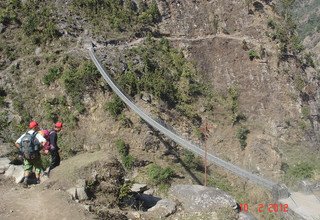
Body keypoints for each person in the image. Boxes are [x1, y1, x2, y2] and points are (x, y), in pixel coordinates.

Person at [15, 120, 47, 187]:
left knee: (27, 168)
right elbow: (44, 141)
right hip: (35, 155)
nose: (38, 127)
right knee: (37, 166)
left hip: (26, 155)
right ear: (35, 127)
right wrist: (40, 148)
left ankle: (26, 180)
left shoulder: (25, 134)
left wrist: (22, 150)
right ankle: (37, 180)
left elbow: (16, 143)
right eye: (37, 126)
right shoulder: (36, 134)